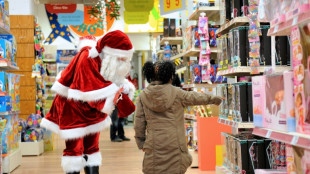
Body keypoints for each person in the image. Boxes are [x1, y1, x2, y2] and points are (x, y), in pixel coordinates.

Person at [40, 31, 136, 174]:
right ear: (111, 52)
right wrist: (115, 92)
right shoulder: (86, 57)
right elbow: (88, 90)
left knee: (92, 148)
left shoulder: (110, 61)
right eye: (122, 57)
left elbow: (113, 81)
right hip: (72, 108)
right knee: (75, 150)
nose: (124, 61)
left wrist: (124, 87)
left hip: (92, 111)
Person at [134, 61, 222, 174]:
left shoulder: (143, 96)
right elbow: (196, 97)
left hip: (154, 145)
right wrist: (215, 99)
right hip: (175, 145)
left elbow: (139, 124)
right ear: (169, 75)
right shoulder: (177, 93)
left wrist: (141, 143)